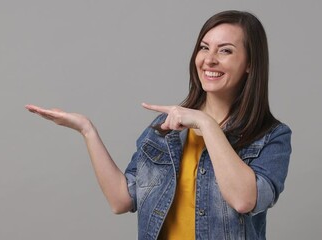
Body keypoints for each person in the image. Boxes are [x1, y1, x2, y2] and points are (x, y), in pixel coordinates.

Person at [25, 10, 292, 240]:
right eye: (204, 47)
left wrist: (205, 123)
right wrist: (87, 130)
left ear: (250, 63)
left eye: (225, 51)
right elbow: (122, 199)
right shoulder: (167, 130)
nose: (209, 59)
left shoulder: (271, 136)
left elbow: (245, 200)